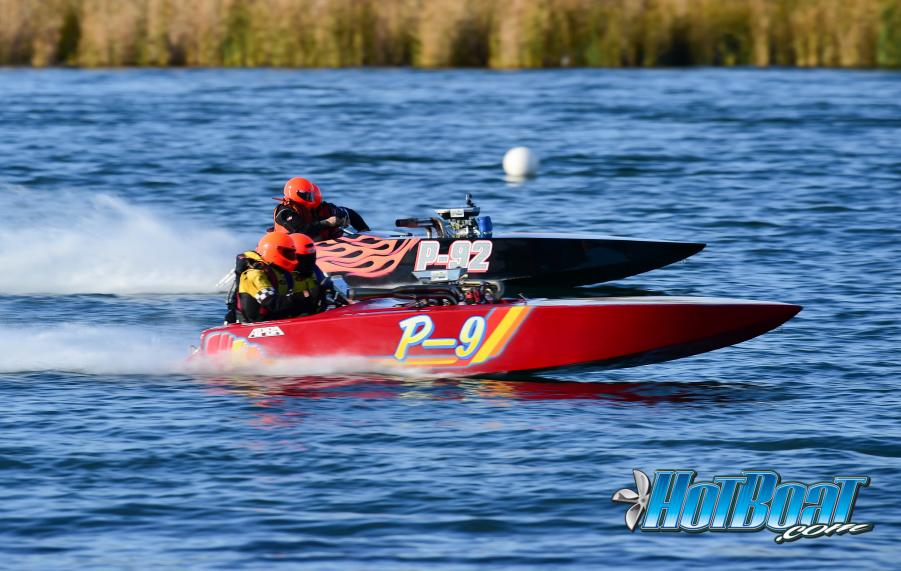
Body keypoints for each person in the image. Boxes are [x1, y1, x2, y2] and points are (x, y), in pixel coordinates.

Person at [225, 232, 299, 324]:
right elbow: (272, 303)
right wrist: (305, 296)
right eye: (287, 253)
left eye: (292, 253)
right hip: (253, 325)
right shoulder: (255, 274)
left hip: (273, 319)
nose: (292, 256)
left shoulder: (278, 272)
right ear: (273, 251)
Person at [272, 177, 370, 240]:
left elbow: (350, 213)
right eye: (307, 196)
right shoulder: (284, 212)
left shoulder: (325, 209)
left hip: (327, 249)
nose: (310, 200)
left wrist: (364, 231)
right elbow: (301, 230)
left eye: (311, 196)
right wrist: (327, 223)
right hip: (293, 248)